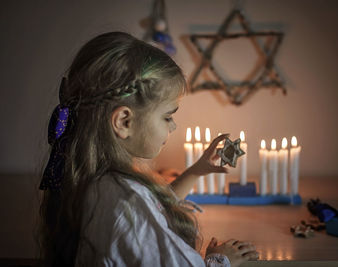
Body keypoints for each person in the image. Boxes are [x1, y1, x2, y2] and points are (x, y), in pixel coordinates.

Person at [38, 31, 259, 267]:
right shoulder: (128, 202)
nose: (173, 126)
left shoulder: (94, 180)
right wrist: (220, 259)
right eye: (167, 116)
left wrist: (196, 170)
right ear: (124, 121)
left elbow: (153, 209)